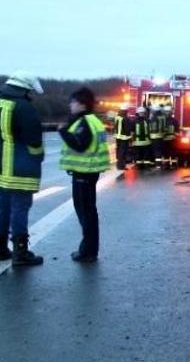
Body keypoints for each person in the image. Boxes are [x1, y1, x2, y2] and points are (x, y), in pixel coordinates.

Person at [0, 70, 44, 266]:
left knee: (3, 205)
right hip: (19, 167)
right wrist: (38, 157)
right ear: (25, 89)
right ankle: (20, 252)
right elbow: (34, 139)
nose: (31, 96)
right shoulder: (23, 107)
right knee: (20, 207)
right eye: (31, 92)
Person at [58, 87, 110, 263]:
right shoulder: (93, 120)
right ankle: (89, 249)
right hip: (89, 172)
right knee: (89, 212)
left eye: (72, 102)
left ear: (81, 104)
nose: (70, 105)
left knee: (85, 212)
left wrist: (64, 132)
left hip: (84, 173)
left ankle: (87, 251)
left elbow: (80, 145)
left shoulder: (84, 122)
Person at [113, 103, 133, 173]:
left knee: (119, 151)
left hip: (117, 137)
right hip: (124, 138)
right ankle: (121, 166)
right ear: (125, 110)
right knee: (123, 152)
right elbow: (128, 129)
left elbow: (115, 127)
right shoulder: (125, 118)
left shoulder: (117, 117)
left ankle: (119, 165)